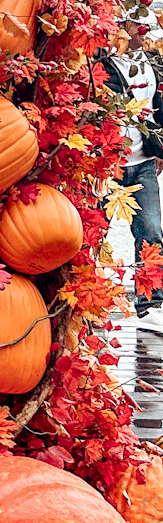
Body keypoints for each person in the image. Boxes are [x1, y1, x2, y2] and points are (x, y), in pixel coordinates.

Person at [103, 22, 163, 316]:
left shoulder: (151, 62)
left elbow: (157, 105)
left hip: (143, 164)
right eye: (136, 25)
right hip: (107, 167)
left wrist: (159, 149)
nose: (144, 30)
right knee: (95, 233)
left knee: (151, 232)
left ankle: (149, 302)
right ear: (121, 28)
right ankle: (93, 300)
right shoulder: (101, 64)